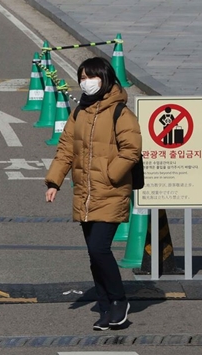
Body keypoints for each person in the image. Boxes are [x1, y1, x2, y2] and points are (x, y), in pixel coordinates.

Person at [44, 57, 142, 331]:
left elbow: (131, 149)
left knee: (100, 248)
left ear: (105, 78)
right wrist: (54, 182)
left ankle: (119, 301)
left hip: (110, 191)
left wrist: (111, 174)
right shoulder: (80, 113)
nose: (85, 82)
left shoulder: (120, 113)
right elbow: (65, 149)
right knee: (93, 253)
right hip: (85, 192)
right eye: (82, 77)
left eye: (90, 77)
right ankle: (105, 306)